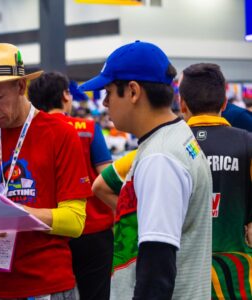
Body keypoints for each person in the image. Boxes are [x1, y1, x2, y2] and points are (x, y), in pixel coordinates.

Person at [0, 43, 92, 299]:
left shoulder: (60, 134)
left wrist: (18, 213)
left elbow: (75, 222)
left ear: (20, 87)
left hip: (47, 284)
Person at [80, 41, 212, 299]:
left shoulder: (160, 158)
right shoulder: (175, 135)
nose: (105, 103)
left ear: (132, 91)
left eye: (108, 92)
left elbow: (157, 271)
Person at [28, 71, 113, 300]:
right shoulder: (88, 127)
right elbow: (107, 176)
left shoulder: (30, 134)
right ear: (66, 96)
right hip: (94, 230)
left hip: (51, 230)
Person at [179, 63, 252, 299]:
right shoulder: (247, 142)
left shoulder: (166, 145)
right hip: (237, 277)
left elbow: (104, 185)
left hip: (183, 274)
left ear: (182, 104)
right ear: (224, 104)